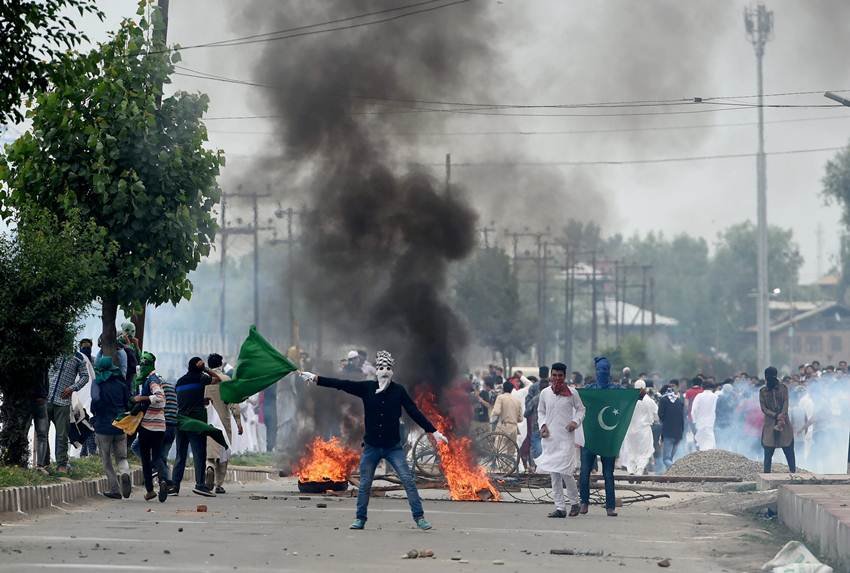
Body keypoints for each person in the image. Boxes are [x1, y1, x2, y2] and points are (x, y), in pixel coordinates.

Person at [299, 350, 447, 531]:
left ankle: (419, 517)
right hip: (372, 447)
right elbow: (342, 384)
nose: (384, 371)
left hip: (393, 447)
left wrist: (434, 431)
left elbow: (414, 412)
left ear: (392, 371)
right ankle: (360, 519)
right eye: (381, 368)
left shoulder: (399, 391)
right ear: (376, 371)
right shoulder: (367, 388)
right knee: (365, 484)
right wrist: (316, 379)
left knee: (408, 481)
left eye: (388, 368)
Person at [534, 363, 585, 518]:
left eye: (560, 375)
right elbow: (541, 412)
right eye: (554, 375)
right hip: (550, 439)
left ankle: (575, 503)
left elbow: (581, 410)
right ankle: (560, 508)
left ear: (564, 376)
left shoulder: (572, 393)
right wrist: (543, 426)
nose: (557, 378)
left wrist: (575, 422)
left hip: (566, 439)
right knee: (554, 475)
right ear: (551, 375)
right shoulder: (545, 393)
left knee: (566, 473)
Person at [172, 357, 222, 497]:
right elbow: (218, 379)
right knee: (199, 454)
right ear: (199, 368)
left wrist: (201, 399)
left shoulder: (180, 381)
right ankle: (200, 485)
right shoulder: (202, 378)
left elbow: (185, 398)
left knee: (180, 456)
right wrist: (205, 368)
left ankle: (175, 486)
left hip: (181, 421)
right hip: (195, 421)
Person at [578, 356, 620, 517]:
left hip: (608, 438)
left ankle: (610, 506)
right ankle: (584, 502)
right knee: (585, 471)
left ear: (609, 371)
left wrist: (640, 393)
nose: (602, 372)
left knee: (608, 473)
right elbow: (575, 399)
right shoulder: (589, 389)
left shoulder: (616, 390)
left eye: (605, 370)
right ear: (595, 371)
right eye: (599, 369)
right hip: (590, 436)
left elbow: (631, 396)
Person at [90, 356, 131, 499]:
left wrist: (96, 412)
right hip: (120, 425)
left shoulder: (97, 383)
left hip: (103, 427)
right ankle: (125, 473)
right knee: (122, 457)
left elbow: (95, 401)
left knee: (106, 460)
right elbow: (128, 403)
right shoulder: (121, 384)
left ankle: (115, 490)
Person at [45, 348, 91, 473]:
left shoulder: (78, 357)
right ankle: (44, 464)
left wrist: (72, 388)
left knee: (62, 435)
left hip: (63, 402)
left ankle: (61, 465)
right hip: (46, 399)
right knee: (43, 433)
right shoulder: (53, 352)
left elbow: (85, 377)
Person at [204, 353, 244, 494]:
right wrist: (238, 422)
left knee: (210, 450)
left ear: (209, 364)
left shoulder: (204, 380)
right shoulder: (226, 379)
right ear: (220, 364)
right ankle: (219, 484)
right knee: (223, 453)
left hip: (206, 422)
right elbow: (233, 403)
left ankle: (209, 467)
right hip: (223, 421)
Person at [133, 351, 168, 502]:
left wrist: (142, 398)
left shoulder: (152, 379)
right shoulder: (155, 378)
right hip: (160, 426)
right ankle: (163, 480)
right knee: (158, 456)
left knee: (146, 460)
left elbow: (160, 398)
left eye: (144, 364)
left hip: (147, 425)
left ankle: (150, 490)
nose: (142, 367)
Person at [618, 380, 658, 475]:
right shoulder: (649, 401)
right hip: (644, 430)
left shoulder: (629, 400)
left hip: (630, 430)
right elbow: (656, 415)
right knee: (644, 452)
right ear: (644, 388)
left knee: (631, 451)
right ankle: (639, 470)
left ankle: (631, 470)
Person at [761, 367, 796, 473]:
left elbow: (786, 403)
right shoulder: (763, 391)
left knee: (788, 450)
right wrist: (776, 415)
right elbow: (764, 408)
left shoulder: (783, 388)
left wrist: (781, 416)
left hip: (784, 423)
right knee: (768, 452)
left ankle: (793, 473)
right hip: (770, 424)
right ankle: (767, 475)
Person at [657, 383, 685, 470]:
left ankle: (677, 470)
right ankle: (670, 474)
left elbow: (660, 415)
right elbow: (682, 417)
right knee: (671, 458)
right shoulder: (679, 401)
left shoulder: (663, 400)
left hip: (668, 433)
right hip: (678, 433)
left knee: (666, 459)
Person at [492, 381, 523, 446]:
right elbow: (520, 419)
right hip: (514, 428)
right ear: (511, 390)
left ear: (503, 389)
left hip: (503, 426)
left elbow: (496, 412)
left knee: (499, 447)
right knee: (511, 450)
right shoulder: (517, 401)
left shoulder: (500, 397)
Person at [691, 381, 718, 451]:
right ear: (712, 388)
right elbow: (717, 410)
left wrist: (694, 420)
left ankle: (703, 453)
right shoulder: (715, 396)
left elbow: (694, 410)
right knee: (710, 439)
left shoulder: (699, 396)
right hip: (711, 421)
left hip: (700, 421)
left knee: (701, 440)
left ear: (702, 387)